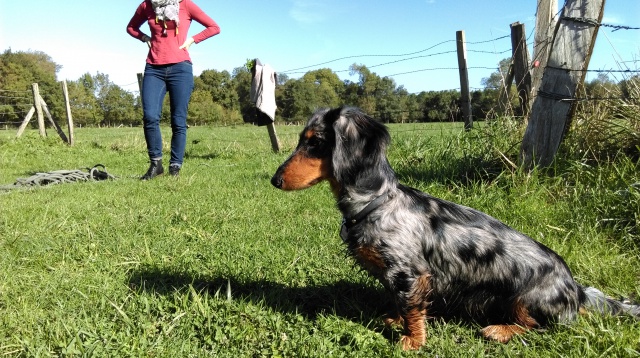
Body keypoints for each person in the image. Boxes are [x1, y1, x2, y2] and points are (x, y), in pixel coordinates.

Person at [127, 0, 220, 179]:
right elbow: (131, 27)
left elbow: (214, 27)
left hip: (181, 69)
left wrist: (192, 40)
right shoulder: (147, 5)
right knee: (150, 117)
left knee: (178, 120)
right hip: (154, 68)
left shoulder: (186, 4)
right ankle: (156, 164)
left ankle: (175, 167)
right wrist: (145, 38)